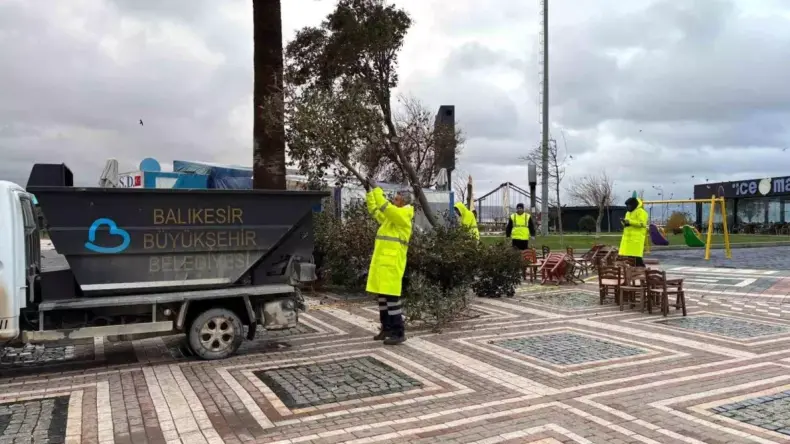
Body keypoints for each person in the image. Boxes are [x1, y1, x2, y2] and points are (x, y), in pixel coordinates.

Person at [365, 180, 414, 345]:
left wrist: (377, 190)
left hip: (392, 265)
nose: (394, 199)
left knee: (392, 300)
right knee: (383, 299)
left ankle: (398, 332)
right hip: (383, 265)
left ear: (404, 202)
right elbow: (375, 210)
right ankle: (386, 328)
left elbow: (386, 208)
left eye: (398, 198)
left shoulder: (403, 216)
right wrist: (370, 193)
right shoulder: (391, 219)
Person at [619, 197, 649, 267]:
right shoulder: (628, 213)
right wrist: (624, 222)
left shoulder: (641, 212)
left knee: (636, 257)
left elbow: (642, 223)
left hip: (636, 239)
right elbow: (628, 224)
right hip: (628, 239)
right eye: (627, 206)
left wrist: (629, 222)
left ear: (634, 204)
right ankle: (634, 271)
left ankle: (642, 271)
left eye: (629, 205)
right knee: (630, 257)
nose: (628, 207)